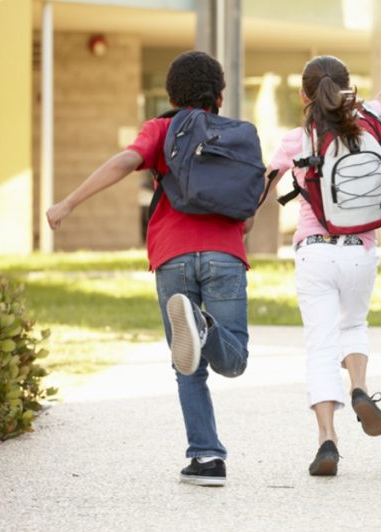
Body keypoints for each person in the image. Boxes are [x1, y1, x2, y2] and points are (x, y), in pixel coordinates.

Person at [46, 51, 255, 487]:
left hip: (172, 256)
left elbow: (125, 162)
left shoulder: (162, 128)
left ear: (171, 95)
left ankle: (206, 459)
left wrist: (68, 202)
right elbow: (247, 213)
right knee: (233, 362)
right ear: (219, 95)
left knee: (186, 365)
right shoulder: (236, 137)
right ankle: (204, 328)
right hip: (224, 255)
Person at [265, 1, 381, 477]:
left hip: (314, 252)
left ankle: (327, 440)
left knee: (320, 346)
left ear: (306, 97)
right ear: (347, 89)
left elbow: (257, 187)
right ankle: (360, 386)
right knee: (354, 326)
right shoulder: (372, 115)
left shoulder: (295, 139)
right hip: (361, 250)